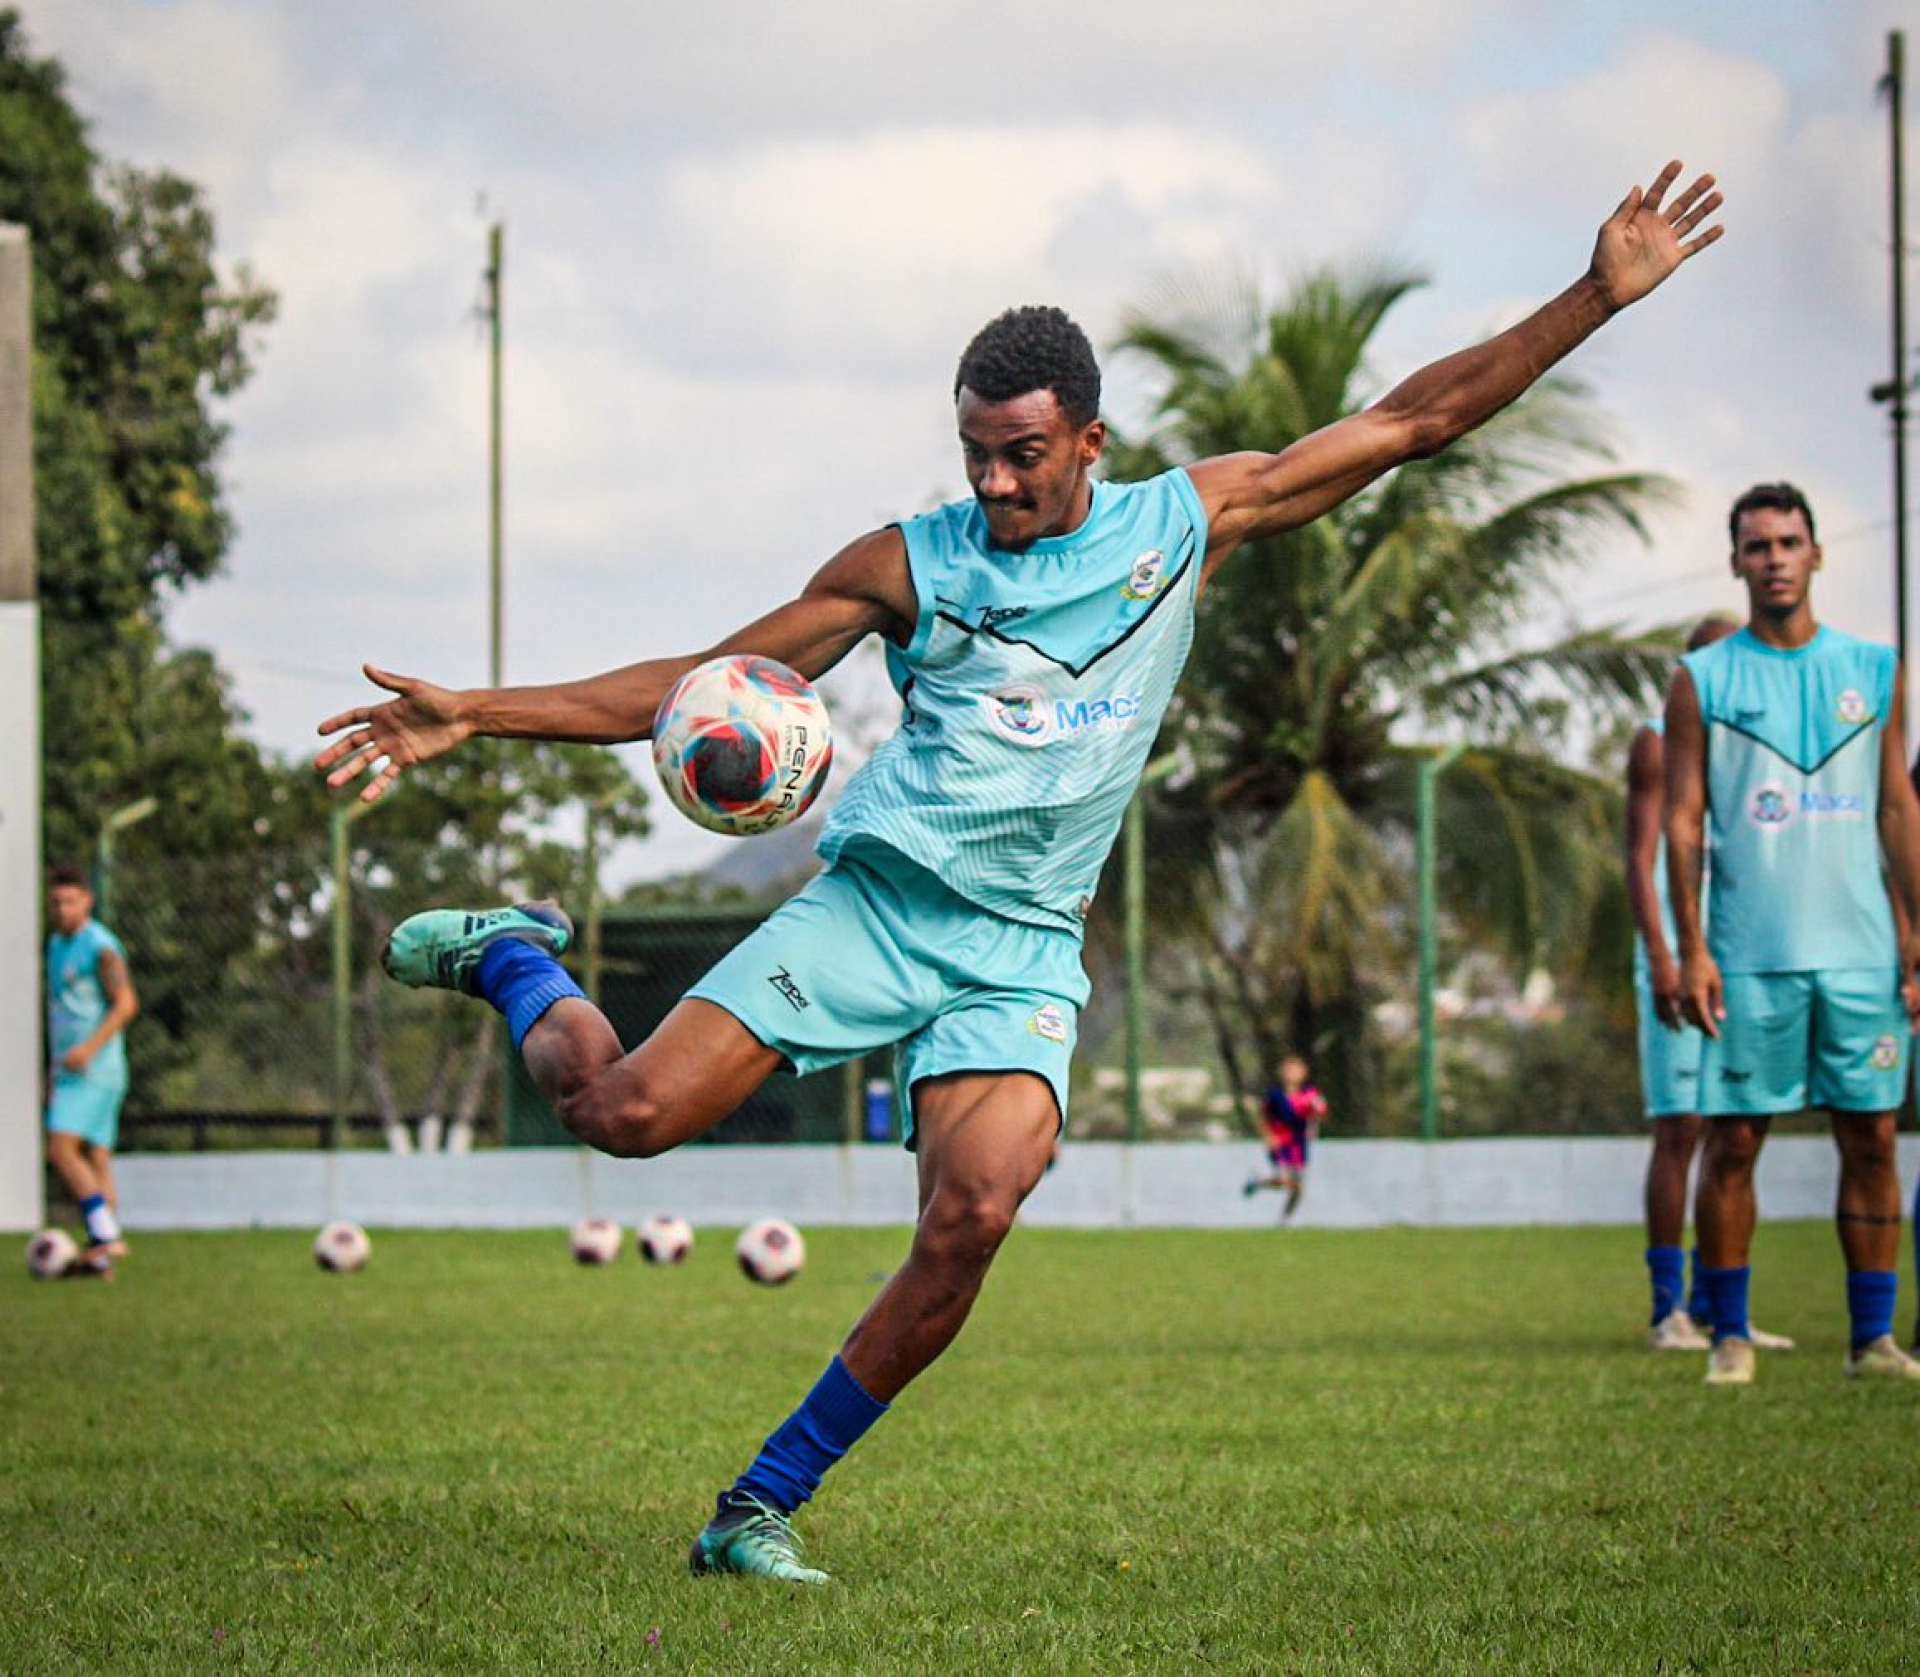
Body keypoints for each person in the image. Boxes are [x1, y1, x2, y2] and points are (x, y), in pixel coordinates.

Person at [319, 160, 1722, 1581]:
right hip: (881, 905)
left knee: (973, 1215)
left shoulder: (1185, 526)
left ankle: (756, 1508)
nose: (991, 482)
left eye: (1021, 457)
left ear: (1090, 441)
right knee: (622, 1114)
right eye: (975, 453)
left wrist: (1595, 296)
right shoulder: (908, 564)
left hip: (1025, 945)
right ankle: (514, 956)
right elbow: (704, 681)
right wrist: (476, 713)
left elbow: (1414, 421)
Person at [1667, 482, 1920, 1386]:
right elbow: (1685, 822)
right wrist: (1693, 945)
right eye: (1757, 545)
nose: (1773, 558)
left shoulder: (1877, 668)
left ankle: (1874, 1341)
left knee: (1875, 1139)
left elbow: (1897, 804)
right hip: (1748, 956)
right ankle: (1729, 1334)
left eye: (1788, 542)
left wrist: (1916, 931)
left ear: (1816, 554)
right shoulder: (1701, 679)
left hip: (1860, 953)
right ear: (1735, 562)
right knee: (1733, 1142)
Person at [1625, 611, 1792, 1353]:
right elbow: (1640, 856)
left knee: (1738, 1128)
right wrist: (1661, 953)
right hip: (1675, 952)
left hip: (1738, 953)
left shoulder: (1755, 746)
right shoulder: (1658, 740)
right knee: (1681, 1127)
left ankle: (1723, 1304)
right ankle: (1669, 1311)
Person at [44, 864, 138, 1264]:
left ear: (87, 901)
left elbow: (126, 1004)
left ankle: (104, 1235)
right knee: (97, 1157)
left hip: (96, 1068)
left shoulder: (100, 945)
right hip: (70, 1070)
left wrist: (88, 1049)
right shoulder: (54, 944)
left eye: (71, 900)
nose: (63, 908)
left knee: (60, 1149)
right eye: (56, 901)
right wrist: (54, 1069)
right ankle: (105, 1253)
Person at [1242, 1055, 1326, 1219]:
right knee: (1283, 1179)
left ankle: (1284, 1219)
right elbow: (1263, 1116)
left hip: (1299, 1144)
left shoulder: (1310, 1094)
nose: (1291, 1073)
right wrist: (1268, 1136)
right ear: (1281, 1073)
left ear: (1304, 1073)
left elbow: (1319, 1113)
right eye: (1288, 1070)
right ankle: (1258, 1182)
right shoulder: (1275, 1095)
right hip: (1279, 1142)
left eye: (1295, 1070)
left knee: (1298, 1188)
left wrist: (1314, 1126)